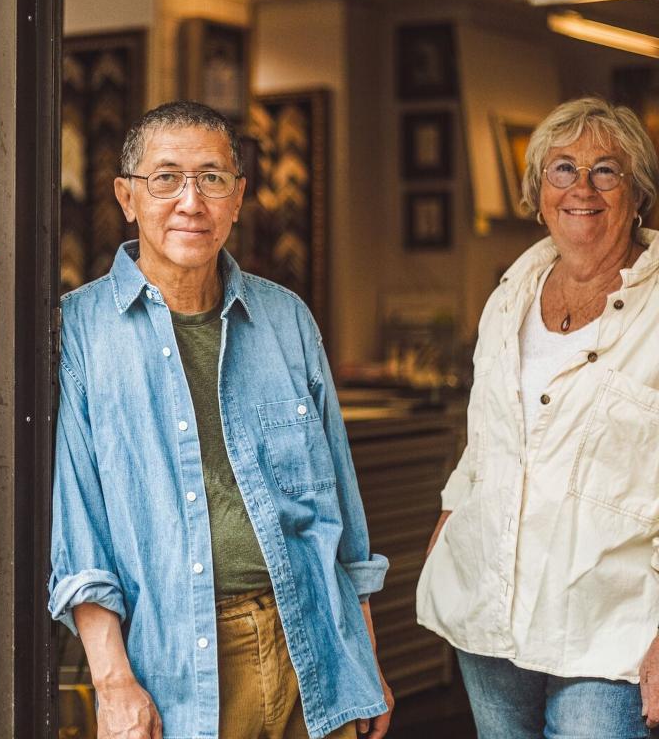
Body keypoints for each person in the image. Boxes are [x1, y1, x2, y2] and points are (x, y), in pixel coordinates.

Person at [48, 101, 394, 739]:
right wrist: (113, 681)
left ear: (238, 198)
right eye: (166, 178)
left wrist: (362, 661)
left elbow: (341, 509)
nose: (190, 200)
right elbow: (78, 532)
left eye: (211, 178)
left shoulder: (286, 318)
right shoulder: (81, 332)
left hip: (312, 643)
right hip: (175, 664)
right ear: (127, 197)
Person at [417, 96, 659, 739]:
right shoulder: (511, 296)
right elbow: (486, 434)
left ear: (638, 194)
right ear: (538, 191)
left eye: (607, 170)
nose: (582, 187)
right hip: (492, 605)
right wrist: (452, 515)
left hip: (612, 624)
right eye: (562, 169)